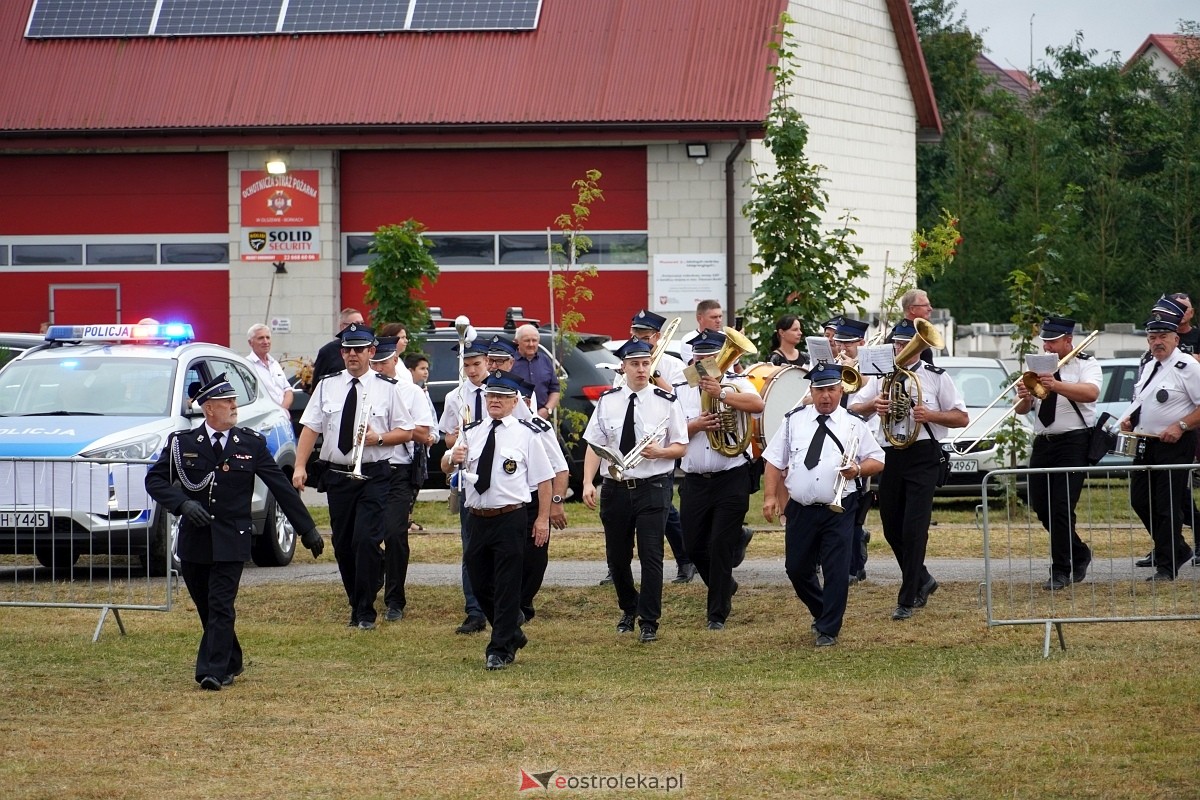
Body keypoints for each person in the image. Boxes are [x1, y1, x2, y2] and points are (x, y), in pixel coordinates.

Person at [145, 374, 323, 691]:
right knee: (207, 605)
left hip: (232, 538)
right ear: (209, 408)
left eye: (234, 400)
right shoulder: (182, 444)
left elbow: (280, 487)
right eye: (227, 401)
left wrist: (307, 530)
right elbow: (155, 481)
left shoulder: (251, 444)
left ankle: (212, 671)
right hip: (195, 539)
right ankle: (231, 657)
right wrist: (183, 504)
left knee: (220, 604)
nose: (234, 406)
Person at [292, 323, 415, 629]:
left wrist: (381, 439)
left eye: (359, 350)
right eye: (347, 350)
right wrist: (299, 466)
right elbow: (311, 428)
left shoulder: (388, 387)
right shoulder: (328, 384)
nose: (352, 355)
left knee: (365, 540)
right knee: (344, 544)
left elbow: (407, 430)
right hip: (337, 474)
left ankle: (364, 611)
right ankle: (355, 599)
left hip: (374, 473)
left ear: (371, 351)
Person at [850, 319, 967, 620]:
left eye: (906, 344)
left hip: (923, 455)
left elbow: (961, 417)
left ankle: (907, 596)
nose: (901, 348)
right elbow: (853, 406)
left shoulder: (936, 377)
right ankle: (923, 579)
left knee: (915, 530)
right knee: (891, 528)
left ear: (920, 347)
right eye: (898, 344)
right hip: (891, 455)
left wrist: (932, 414)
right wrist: (874, 405)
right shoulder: (882, 377)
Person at [762, 364, 884, 646]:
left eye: (831, 390)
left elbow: (877, 459)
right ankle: (822, 610)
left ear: (841, 391)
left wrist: (857, 468)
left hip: (838, 508)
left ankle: (829, 629)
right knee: (796, 568)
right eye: (820, 390)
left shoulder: (854, 423)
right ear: (811, 391)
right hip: (801, 508)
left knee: (836, 570)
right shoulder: (793, 421)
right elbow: (773, 461)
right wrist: (770, 496)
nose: (825, 396)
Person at [582, 338, 689, 643]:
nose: (642, 370)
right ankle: (629, 608)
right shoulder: (608, 400)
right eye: (635, 364)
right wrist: (589, 481)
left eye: (646, 364)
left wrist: (663, 453)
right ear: (623, 367)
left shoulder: (666, 401)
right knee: (616, 557)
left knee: (651, 554)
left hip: (653, 486)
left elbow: (681, 444)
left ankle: (650, 620)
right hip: (616, 487)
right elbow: (595, 446)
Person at [449, 370, 554, 670]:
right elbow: (449, 464)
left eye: (502, 397)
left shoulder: (527, 434)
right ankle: (512, 632)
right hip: (477, 517)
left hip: (510, 516)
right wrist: (451, 458)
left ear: (513, 402)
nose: (495, 401)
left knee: (507, 584)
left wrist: (543, 519)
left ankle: (499, 649)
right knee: (480, 583)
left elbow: (544, 480)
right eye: (491, 396)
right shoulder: (472, 431)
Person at [676, 329, 764, 629]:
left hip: (731, 476)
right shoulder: (680, 389)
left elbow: (758, 406)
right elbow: (668, 433)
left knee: (720, 545)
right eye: (699, 358)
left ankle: (717, 614)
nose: (704, 363)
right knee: (691, 545)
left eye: (711, 357)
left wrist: (722, 394)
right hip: (695, 479)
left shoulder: (737, 382)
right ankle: (724, 584)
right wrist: (696, 425)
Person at [1012, 316, 1100, 590]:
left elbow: (1091, 393)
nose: (1047, 346)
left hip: (1073, 442)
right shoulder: (1037, 368)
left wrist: (1056, 385)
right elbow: (1022, 410)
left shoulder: (1086, 364)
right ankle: (1078, 552)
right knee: (1041, 504)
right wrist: (1025, 397)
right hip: (1044, 441)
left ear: (1067, 340)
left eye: (1052, 341)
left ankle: (1061, 569)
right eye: (1045, 341)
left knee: (1061, 506)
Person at [1119, 300, 1200, 581]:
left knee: (1167, 504)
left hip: (1175, 443)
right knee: (1140, 500)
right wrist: (1131, 419)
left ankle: (1167, 566)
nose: (1157, 342)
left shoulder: (1187, 366)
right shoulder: (1149, 365)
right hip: (1146, 441)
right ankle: (1177, 549)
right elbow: (1145, 399)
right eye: (1152, 337)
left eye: (1163, 336)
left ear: (1176, 338)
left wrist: (1180, 426)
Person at [618, 309, 695, 584]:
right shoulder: (626, 361)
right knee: (637, 509)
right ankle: (617, 563)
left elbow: (679, 402)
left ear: (657, 337)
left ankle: (686, 560)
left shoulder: (673, 366)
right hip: (628, 439)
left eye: (643, 336)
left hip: (660, 443)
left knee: (664, 508)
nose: (637, 339)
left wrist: (654, 371)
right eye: (634, 334)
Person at [369, 336, 434, 622]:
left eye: (383, 362)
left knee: (395, 534)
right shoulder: (365, 389)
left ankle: (395, 599)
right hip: (371, 469)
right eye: (375, 363)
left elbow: (425, 433)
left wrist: (399, 427)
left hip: (398, 468)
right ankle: (369, 584)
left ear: (395, 360)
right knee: (365, 536)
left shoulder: (410, 391)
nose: (379, 367)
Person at [439, 337, 493, 634]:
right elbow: (445, 438)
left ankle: (500, 604)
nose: (472, 371)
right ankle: (474, 610)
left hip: (499, 475)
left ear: (487, 362)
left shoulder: (499, 392)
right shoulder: (455, 397)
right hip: (468, 475)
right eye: (467, 365)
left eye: (477, 364)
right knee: (470, 545)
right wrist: (459, 435)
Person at [832, 317, 874, 583]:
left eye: (848, 344)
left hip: (862, 441)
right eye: (840, 344)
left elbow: (862, 403)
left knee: (857, 503)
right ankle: (846, 562)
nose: (842, 349)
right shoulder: (834, 366)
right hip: (835, 437)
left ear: (861, 342)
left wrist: (854, 373)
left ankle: (854, 565)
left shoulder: (869, 369)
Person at [406, 352, 439, 532]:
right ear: (410, 370)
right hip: (408, 444)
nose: (426, 372)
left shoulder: (423, 391)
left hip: (421, 446)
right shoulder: (405, 391)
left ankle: (408, 517)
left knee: (416, 482)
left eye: (427, 369)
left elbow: (431, 418)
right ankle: (404, 518)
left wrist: (432, 436)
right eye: (422, 369)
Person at [509, 324, 560, 419]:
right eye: (527, 340)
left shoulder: (545, 360)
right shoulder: (509, 362)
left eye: (534, 340)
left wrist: (547, 409)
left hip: (541, 418)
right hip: (515, 418)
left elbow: (555, 390)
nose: (531, 344)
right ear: (517, 342)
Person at [309, 308, 364, 390]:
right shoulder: (328, 352)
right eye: (356, 324)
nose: (361, 327)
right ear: (343, 327)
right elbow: (317, 387)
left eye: (362, 324)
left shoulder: (367, 348)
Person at [245, 323, 293, 411]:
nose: (266, 342)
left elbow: (288, 390)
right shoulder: (246, 366)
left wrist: (282, 410)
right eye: (260, 338)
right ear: (250, 343)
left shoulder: (275, 364)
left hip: (283, 418)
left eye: (268, 337)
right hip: (263, 419)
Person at [895, 289, 935, 364]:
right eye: (925, 305)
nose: (930, 309)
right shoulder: (903, 334)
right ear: (912, 309)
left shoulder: (917, 331)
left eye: (929, 305)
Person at [678, 299, 723, 365]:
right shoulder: (689, 339)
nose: (718, 320)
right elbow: (699, 369)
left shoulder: (726, 336)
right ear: (700, 318)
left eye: (720, 316)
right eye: (714, 317)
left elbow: (737, 368)